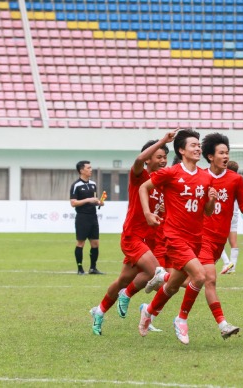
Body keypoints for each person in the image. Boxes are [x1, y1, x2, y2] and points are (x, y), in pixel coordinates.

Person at [136, 129, 218, 344]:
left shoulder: (206, 176)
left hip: (195, 239)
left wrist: (211, 200)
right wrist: (147, 213)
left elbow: (207, 212)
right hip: (174, 237)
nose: (198, 148)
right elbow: (144, 187)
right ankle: (181, 319)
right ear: (181, 150)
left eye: (199, 145)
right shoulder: (171, 173)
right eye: (193, 145)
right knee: (200, 277)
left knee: (172, 286)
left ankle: (149, 311)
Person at [88, 132, 174, 335]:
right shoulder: (140, 176)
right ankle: (127, 297)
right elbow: (138, 160)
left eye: (164, 157)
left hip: (153, 239)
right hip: (134, 236)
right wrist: (161, 141)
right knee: (157, 273)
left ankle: (99, 311)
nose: (162, 161)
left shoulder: (165, 182)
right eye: (158, 156)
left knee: (125, 279)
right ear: (149, 158)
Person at [171, 133, 243, 344]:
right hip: (201, 236)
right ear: (210, 156)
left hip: (219, 241)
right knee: (210, 279)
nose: (226, 156)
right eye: (222, 153)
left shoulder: (236, 179)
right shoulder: (200, 176)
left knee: (186, 280)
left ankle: (160, 282)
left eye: (227, 153)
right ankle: (221, 324)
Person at [70, 160, 105, 275]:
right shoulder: (76, 185)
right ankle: (80, 269)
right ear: (81, 170)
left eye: (91, 168)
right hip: (82, 217)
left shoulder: (93, 184)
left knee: (95, 243)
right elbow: (73, 203)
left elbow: (94, 201)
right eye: (88, 168)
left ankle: (93, 268)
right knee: (81, 243)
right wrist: (88, 200)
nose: (91, 170)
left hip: (93, 217)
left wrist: (99, 203)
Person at [220, 160, 241, 275]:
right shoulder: (239, 181)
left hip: (224, 214)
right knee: (233, 242)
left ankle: (227, 261)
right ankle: (232, 266)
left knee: (216, 240)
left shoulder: (227, 180)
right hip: (235, 214)